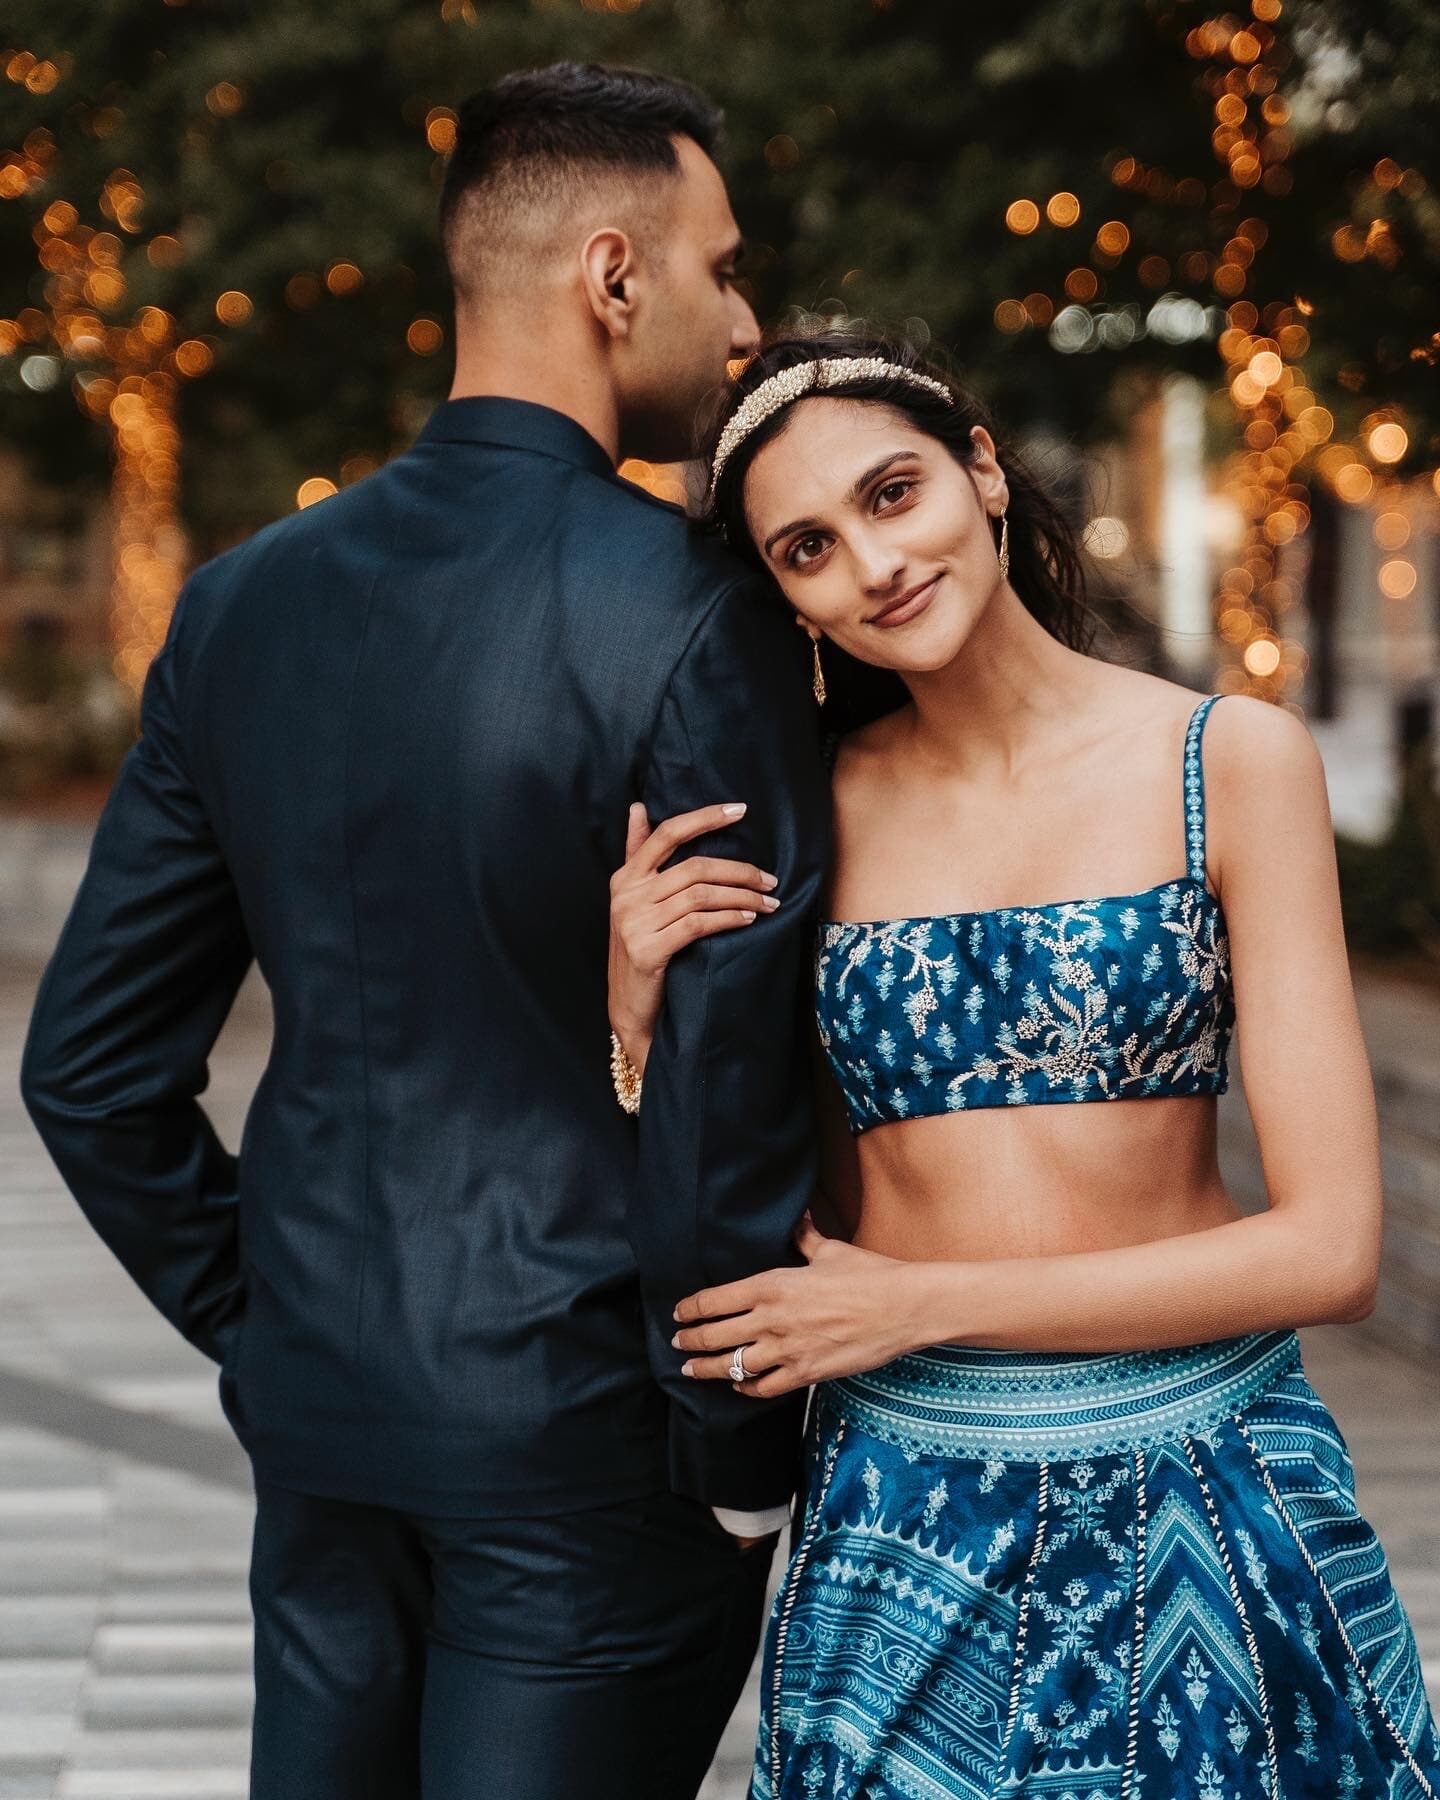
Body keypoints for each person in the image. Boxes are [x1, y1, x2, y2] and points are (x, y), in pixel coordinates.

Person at [21, 64, 830, 1800]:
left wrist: (263, 1315)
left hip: (326, 1414)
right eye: (722, 265)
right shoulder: (703, 611)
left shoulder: (240, 606)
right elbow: (727, 1072)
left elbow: (88, 1069)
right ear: (614, 277)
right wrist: (744, 1450)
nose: (744, 315)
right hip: (598, 1445)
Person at [607, 327, 1440, 1800]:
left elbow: (1334, 1250)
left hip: (1208, 1484)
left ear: (983, 471)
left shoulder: (1226, 762)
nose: (871, 563)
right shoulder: (805, 811)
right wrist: (635, 1002)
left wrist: (927, 1302)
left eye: (892, 493)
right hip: (905, 1508)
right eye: (807, 547)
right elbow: (739, 1145)